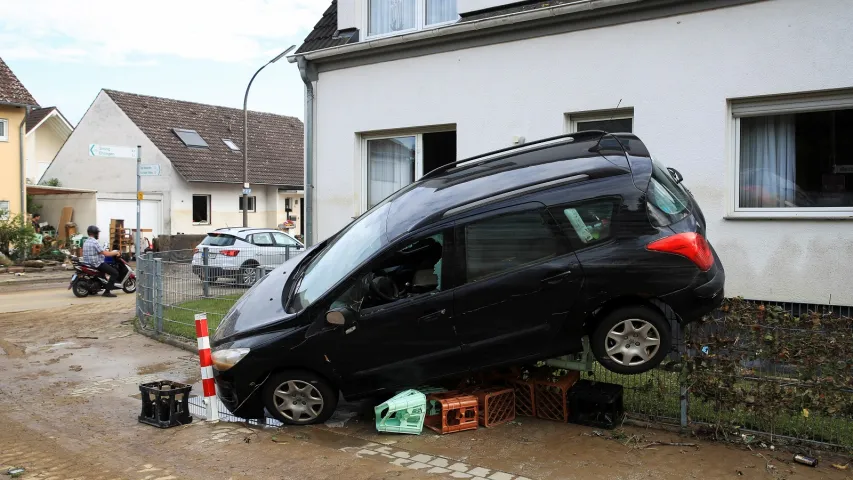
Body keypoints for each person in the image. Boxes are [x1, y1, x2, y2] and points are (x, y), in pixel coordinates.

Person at [82, 225, 122, 297]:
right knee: (115, 273)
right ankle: (107, 292)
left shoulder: (86, 242)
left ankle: (95, 288)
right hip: (97, 264)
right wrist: (116, 252)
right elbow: (106, 253)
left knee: (105, 271)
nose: (98, 235)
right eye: (98, 233)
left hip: (88, 264)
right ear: (95, 233)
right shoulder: (94, 242)